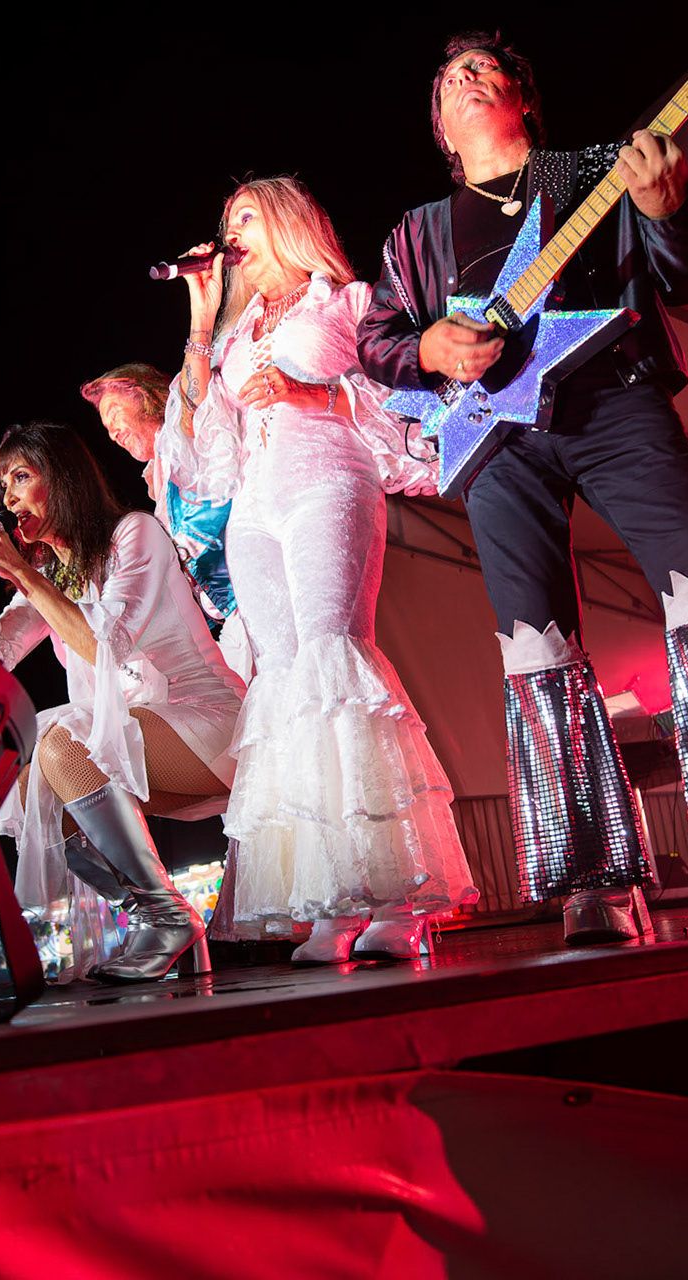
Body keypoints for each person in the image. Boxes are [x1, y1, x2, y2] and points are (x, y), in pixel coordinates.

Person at [357, 34, 688, 943]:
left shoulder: (602, 167)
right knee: (534, 650)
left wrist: (667, 211)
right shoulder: (415, 234)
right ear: (439, 127)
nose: (467, 84)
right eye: (449, 82)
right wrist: (429, 349)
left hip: (615, 401)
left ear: (524, 96)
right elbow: (378, 343)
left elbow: (687, 275)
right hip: (493, 446)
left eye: (484, 72)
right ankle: (593, 879)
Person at [162, 176, 477, 963]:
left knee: (336, 661)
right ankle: (335, 899)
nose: (232, 230)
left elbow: (404, 400)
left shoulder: (345, 301)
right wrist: (201, 314)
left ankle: (399, 899)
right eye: (225, 217)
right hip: (256, 513)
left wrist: (312, 393)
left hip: (329, 484)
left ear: (287, 222)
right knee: (291, 684)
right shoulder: (232, 338)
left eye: (246, 214)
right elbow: (206, 456)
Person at [0, 422, 247, 982]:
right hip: (126, 742)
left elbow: (104, 644)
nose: (10, 497)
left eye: (21, 477)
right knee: (20, 768)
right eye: (2, 484)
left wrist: (17, 569)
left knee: (62, 745)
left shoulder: (134, 534)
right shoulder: (51, 572)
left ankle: (166, 918)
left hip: (207, 725)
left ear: (61, 480)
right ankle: (154, 912)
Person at [81, 363, 252, 681]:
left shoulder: (184, 429)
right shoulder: (157, 473)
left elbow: (195, 385)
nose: (112, 433)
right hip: (229, 615)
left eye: (115, 414)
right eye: (106, 428)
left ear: (144, 396)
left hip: (251, 589)